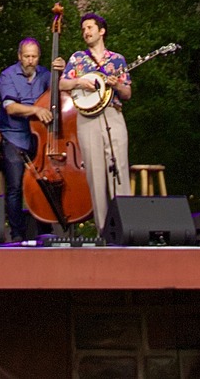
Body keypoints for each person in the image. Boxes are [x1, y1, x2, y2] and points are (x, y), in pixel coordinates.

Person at [61, 13, 131, 234]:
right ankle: (104, 230)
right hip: (88, 118)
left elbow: (127, 92)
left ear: (102, 31)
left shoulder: (117, 59)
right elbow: (62, 83)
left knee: (119, 167)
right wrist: (80, 81)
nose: (86, 32)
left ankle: (125, 226)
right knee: (95, 172)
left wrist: (116, 85)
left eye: (90, 27)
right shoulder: (78, 59)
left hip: (113, 113)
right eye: (83, 29)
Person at [0, 37, 54, 240]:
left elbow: (60, 96)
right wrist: (36, 110)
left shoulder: (47, 75)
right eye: (26, 56)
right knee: (15, 187)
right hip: (14, 135)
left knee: (44, 183)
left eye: (34, 56)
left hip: (40, 137)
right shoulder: (8, 75)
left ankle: (45, 233)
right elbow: (11, 107)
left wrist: (60, 72)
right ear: (20, 56)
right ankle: (17, 235)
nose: (30, 60)